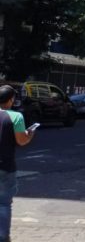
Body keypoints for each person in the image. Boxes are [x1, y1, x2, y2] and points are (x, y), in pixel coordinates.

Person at [0, 86, 35, 242]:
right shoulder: (16, 117)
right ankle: (2, 237)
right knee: (3, 203)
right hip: (5, 165)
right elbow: (21, 140)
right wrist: (30, 134)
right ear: (10, 100)